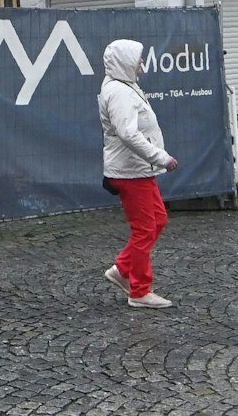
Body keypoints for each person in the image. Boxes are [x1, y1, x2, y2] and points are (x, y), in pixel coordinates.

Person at [97, 38, 177, 309]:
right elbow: (128, 134)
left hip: (138, 169)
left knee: (158, 219)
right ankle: (140, 291)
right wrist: (161, 157)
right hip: (131, 171)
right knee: (144, 229)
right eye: (138, 60)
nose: (142, 65)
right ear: (125, 63)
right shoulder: (119, 92)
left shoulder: (125, 86)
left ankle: (122, 269)